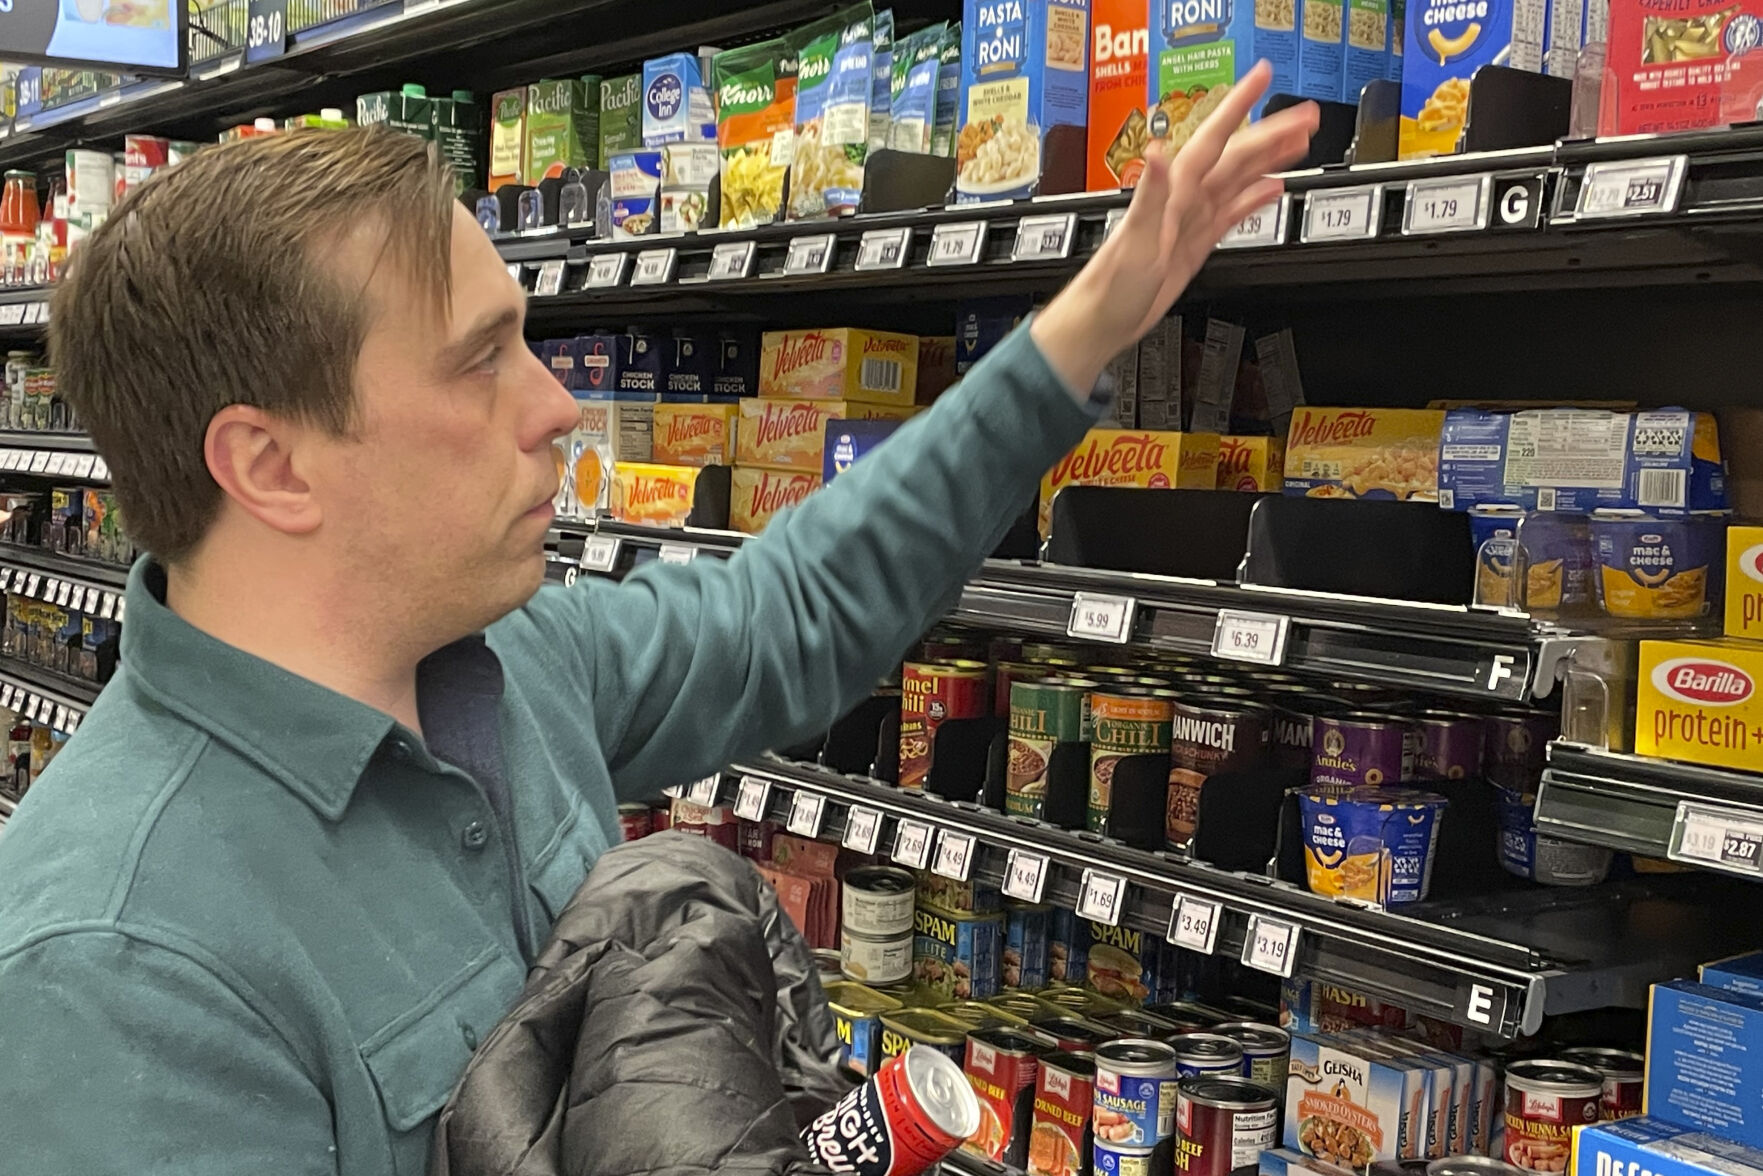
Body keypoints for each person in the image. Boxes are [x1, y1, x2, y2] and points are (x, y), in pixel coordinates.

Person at [0, 64, 1315, 1174]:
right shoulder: (116, 967)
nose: (556, 407)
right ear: (272, 466)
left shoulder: (515, 662)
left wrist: (1092, 323)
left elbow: (786, 609)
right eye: (480, 360)